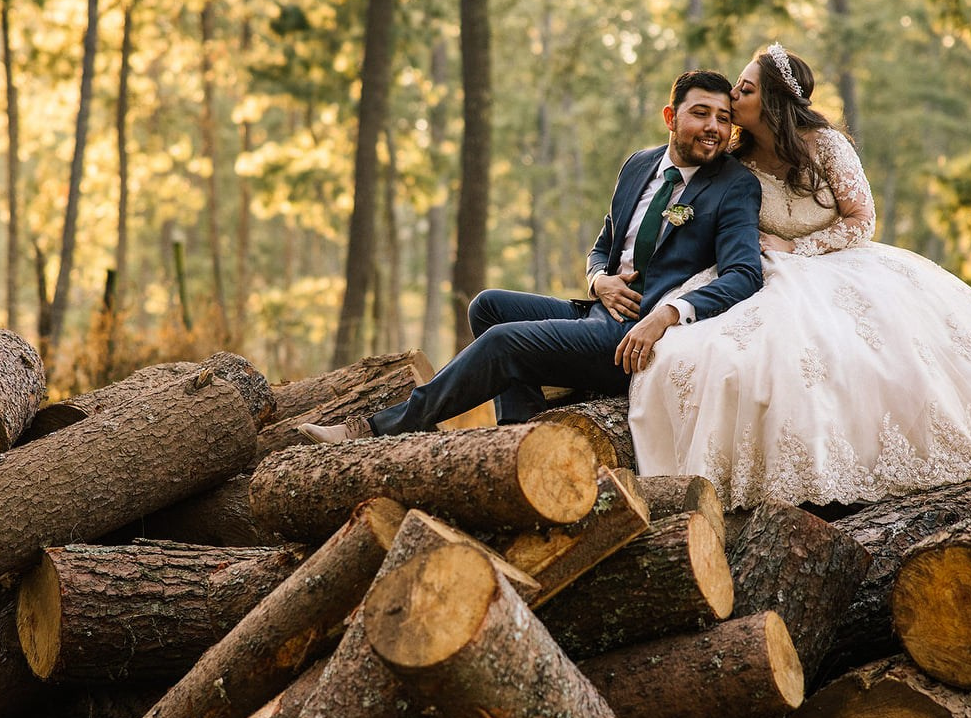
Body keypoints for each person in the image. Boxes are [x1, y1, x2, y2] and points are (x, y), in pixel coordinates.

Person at [629, 43, 971, 509]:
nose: (733, 96)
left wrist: (799, 248)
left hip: (841, 265)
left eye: (745, 89)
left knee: (872, 357)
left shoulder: (824, 144)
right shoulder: (733, 161)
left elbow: (862, 219)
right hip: (765, 272)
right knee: (731, 357)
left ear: (773, 102)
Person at [300, 69, 764, 441]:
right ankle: (520, 434)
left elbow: (744, 274)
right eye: (701, 114)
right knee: (487, 305)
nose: (714, 128)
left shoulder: (733, 185)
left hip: (636, 341)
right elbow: (602, 246)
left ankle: (379, 427)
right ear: (670, 117)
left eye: (724, 118)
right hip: (598, 311)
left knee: (505, 342)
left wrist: (666, 314)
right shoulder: (639, 165)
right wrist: (598, 278)